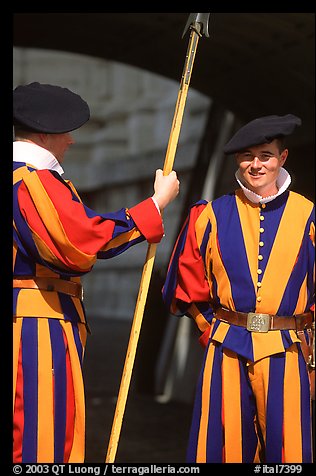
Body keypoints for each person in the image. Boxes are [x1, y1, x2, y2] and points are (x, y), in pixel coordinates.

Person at [13, 82, 180, 463]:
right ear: (44, 134)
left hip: (35, 314)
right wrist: (154, 206)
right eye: (65, 131)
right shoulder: (29, 181)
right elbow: (80, 242)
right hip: (37, 320)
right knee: (41, 435)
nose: (70, 141)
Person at [162, 114, 315, 463]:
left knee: (289, 451)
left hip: (288, 351)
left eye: (265, 155)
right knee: (222, 449)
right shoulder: (211, 215)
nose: (256, 165)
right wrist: (211, 331)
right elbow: (185, 284)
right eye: (247, 156)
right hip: (225, 349)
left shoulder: (309, 216)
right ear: (236, 160)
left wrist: (313, 357)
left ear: (283, 158)